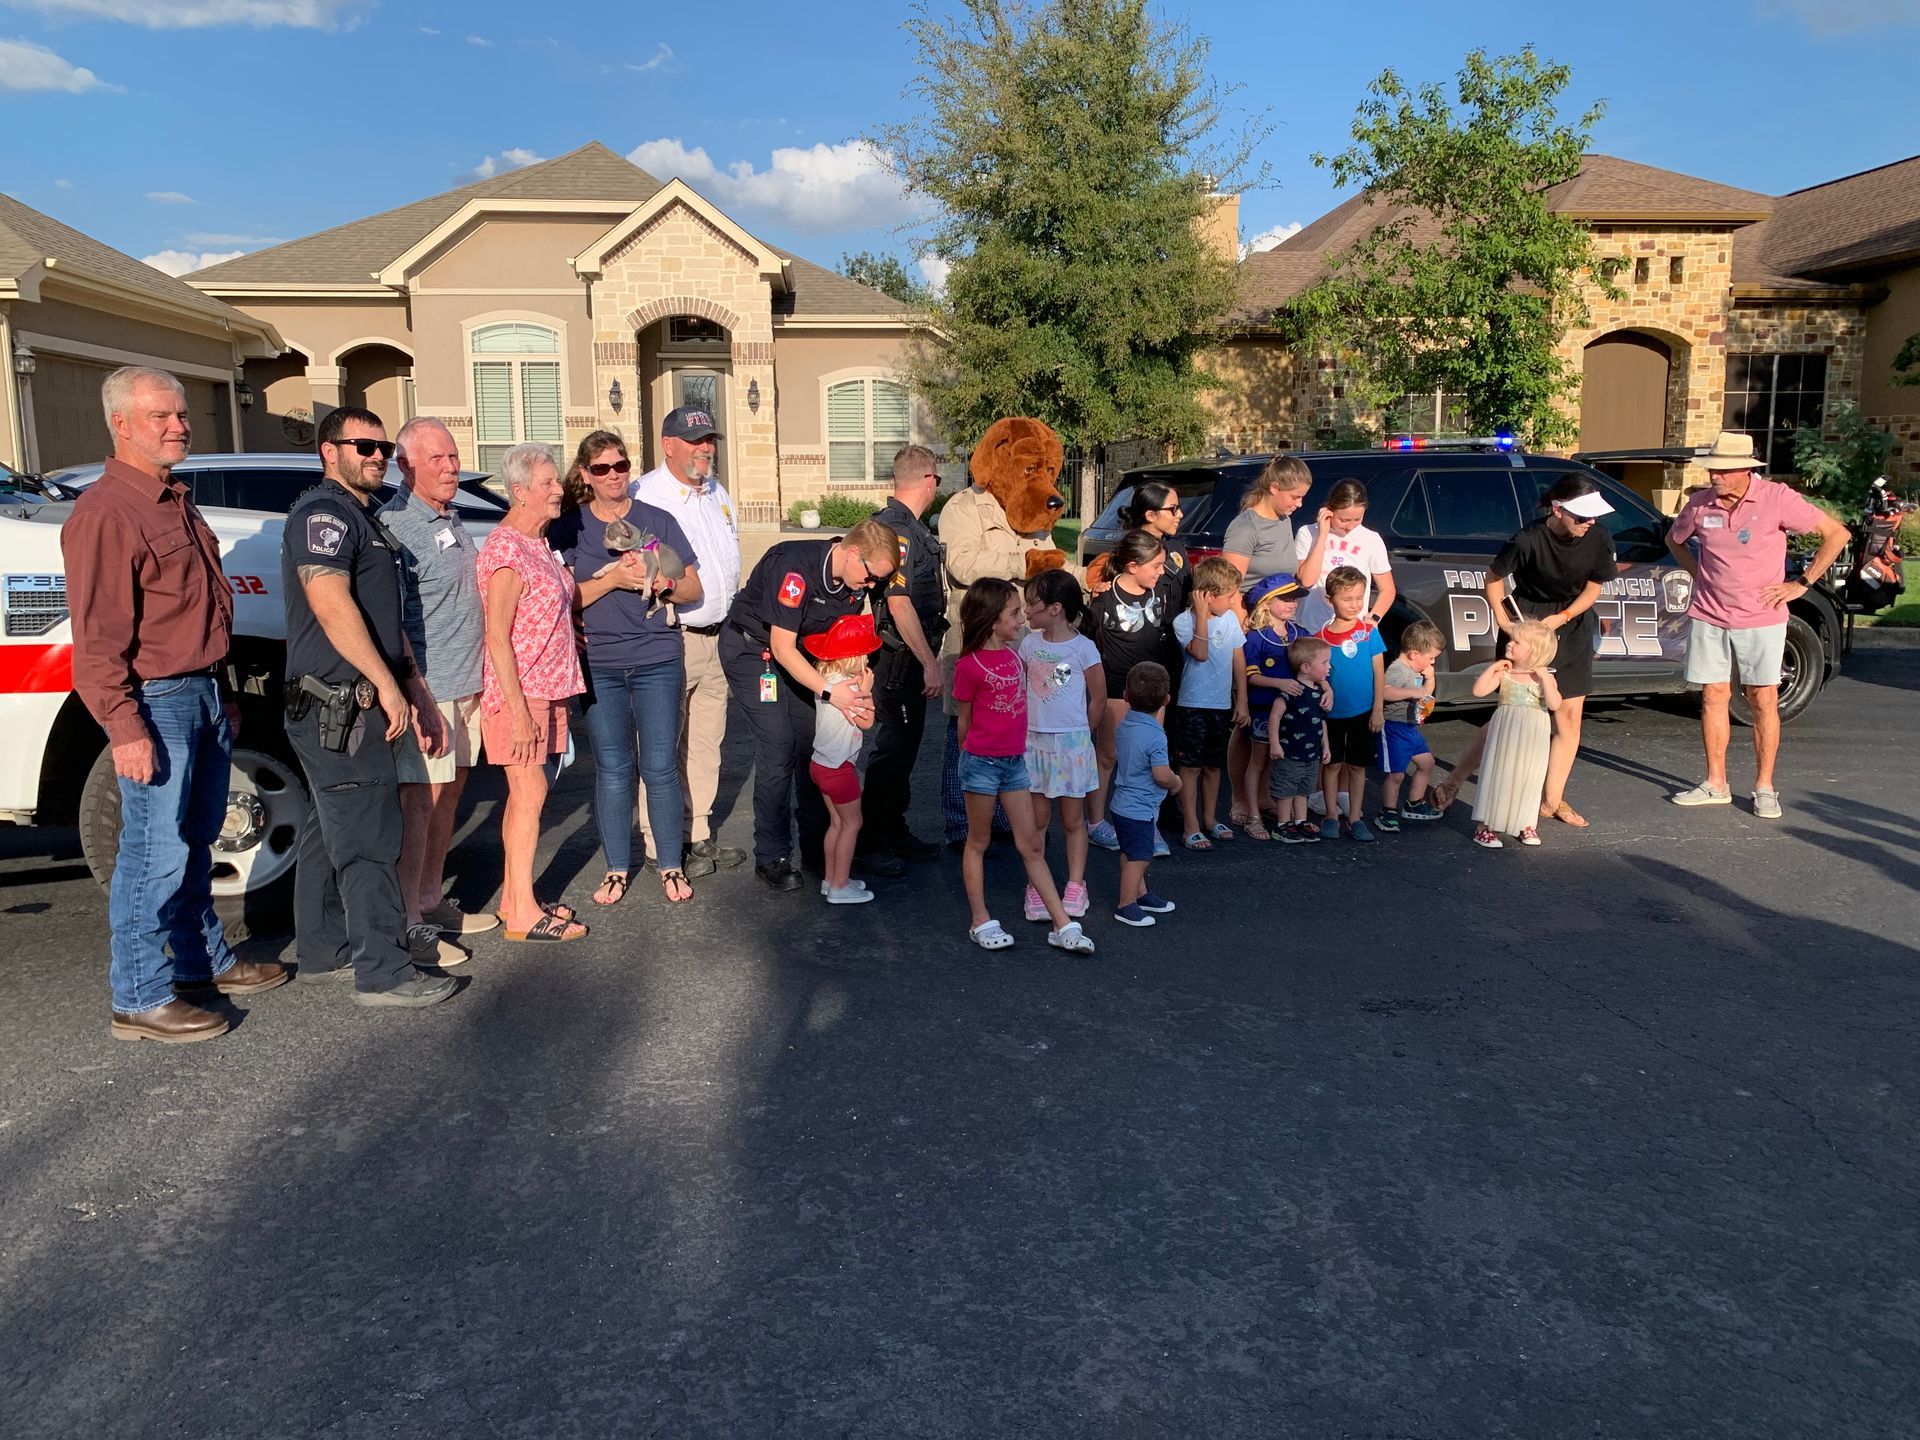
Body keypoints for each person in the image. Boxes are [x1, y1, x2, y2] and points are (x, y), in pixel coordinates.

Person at [63, 366, 289, 1042]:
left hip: (201, 693)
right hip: (155, 703)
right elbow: (98, 641)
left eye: (182, 414)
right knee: (153, 855)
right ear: (121, 424)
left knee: (193, 844)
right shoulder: (106, 512)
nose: (178, 426)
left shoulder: (174, 500)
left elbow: (198, 613)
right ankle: (138, 997)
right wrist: (125, 728)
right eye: (160, 416)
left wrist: (222, 694)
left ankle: (200, 963)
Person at [281, 406, 456, 1007]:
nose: (377, 456)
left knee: (329, 828)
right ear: (329, 451)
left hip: (349, 701)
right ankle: (385, 973)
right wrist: (384, 684)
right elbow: (330, 603)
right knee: (369, 837)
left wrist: (412, 687)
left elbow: (384, 617)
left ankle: (324, 949)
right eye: (364, 446)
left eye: (382, 447)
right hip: (339, 704)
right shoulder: (323, 514)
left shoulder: (363, 516)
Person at [553, 429, 703, 907]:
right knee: (614, 770)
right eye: (602, 468)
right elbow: (559, 596)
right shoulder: (568, 527)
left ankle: (671, 864)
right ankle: (617, 869)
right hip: (599, 662)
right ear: (586, 475)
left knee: (660, 768)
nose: (613, 475)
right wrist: (615, 579)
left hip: (657, 658)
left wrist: (661, 584)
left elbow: (693, 588)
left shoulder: (656, 520)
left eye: (620, 465)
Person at [1665, 432, 1848, 819]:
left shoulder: (1776, 498)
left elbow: (1837, 534)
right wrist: (1699, 575)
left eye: (1723, 470)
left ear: (1745, 470)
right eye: (1712, 469)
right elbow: (1674, 540)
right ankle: (1716, 784)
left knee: (1762, 698)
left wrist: (1801, 583)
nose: (1714, 476)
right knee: (1713, 696)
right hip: (1709, 614)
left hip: (1762, 616)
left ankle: (1764, 787)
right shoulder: (1699, 503)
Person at [1432, 475, 1621, 822]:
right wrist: (1505, 622)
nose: (1590, 522)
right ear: (1558, 510)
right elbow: (1493, 579)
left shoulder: (1598, 536)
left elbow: (1594, 588)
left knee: (1569, 716)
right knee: (1511, 712)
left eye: (1594, 515)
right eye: (1582, 516)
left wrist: (1562, 618)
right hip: (1528, 621)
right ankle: (1454, 780)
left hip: (1571, 621)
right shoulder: (1528, 538)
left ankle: (1552, 801)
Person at [722, 519, 898, 890]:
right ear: (853, 553)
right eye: (870, 577)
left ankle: (821, 850)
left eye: (877, 582)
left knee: (812, 744)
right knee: (778, 745)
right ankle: (772, 855)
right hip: (756, 651)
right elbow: (782, 647)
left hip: (803, 657)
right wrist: (832, 693)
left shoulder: (853, 584)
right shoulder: (796, 569)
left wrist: (858, 684)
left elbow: (838, 645)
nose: (871, 587)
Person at [383, 416, 492, 965]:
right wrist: (418, 695)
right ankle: (409, 923)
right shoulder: (397, 525)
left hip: (467, 684)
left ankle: (430, 900)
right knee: (419, 804)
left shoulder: (449, 515)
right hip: (431, 689)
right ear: (405, 466)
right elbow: (393, 620)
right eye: (437, 459)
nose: (451, 468)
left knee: (449, 796)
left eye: (453, 457)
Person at [629, 405, 747, 877]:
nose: (705, 449)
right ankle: (658, 841)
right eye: (694, 441)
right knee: (661, 744)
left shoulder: (717, 492)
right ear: (668, 445)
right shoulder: (645, 496)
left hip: (720, 636)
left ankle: (696, 832)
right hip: (671, 635)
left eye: (709, 440)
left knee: (705, 742)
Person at [477, 443, 587, 941]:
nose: (558, 489)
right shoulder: (506, 549)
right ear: (519, 492)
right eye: (547, 483)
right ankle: (521, 915)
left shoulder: (538, 542)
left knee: (527, 796)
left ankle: (514, 899)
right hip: (521, 694)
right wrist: (519, 712)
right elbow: (497, 636)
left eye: (556, 480)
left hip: (551, 687)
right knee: (529, 793)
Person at [952, 578, 1095, 954]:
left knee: (1031, 843)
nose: (1022, 619)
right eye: (1015, 613)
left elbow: (1048, 689)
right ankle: (980, 919)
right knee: (978, 841)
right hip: (982, 765)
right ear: (992, 620)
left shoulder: (1017, 656)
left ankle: (1062, 924)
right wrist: (974, 756)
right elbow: (964, 723)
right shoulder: (969, 666)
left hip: (1016, 763)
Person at [937, 453, 1057, 845]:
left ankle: (1004, 816)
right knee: (964, 730)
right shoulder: (963, 507)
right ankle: (963, 824)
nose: (1039, 477)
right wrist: (1023, 562)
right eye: (1029, 468)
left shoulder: (1033, 506)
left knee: (1009, 724)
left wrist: (1084, 580)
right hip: (976, 637)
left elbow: (1049, 564)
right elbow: (962, 564)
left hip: (1020, 638)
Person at [858, 445, 948, 873]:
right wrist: (929, 662)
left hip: (907, 653)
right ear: (929, 481)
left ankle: (893, 829)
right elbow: (899, 603)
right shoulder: (897, 532)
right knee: (894, 748)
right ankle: (872, 841)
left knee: (906, 747)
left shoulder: (907, 527)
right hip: (899, 657)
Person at [1081, 530, 1180, 854]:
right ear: (1133, 566)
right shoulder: (1104, 600)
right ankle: (1096, 822)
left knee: (1149, 758)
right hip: (1116, 689)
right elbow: (1087, 645)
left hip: (1153, 691)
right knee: (1108, 756)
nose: (1162, 572)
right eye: (1156, 566)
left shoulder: (1161, 592)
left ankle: (1148, 824)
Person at [1018, 569, 1104, 923]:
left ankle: (1075, 884)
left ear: (1055, 608)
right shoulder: (1028, 644)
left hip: (1072, 746)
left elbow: (1098, 699)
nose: (1026, 610)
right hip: (1034, 742)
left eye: (1032, 604)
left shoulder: (1084, 648)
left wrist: (1081, 735)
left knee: (1072, 820)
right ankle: (1036, 886)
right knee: (1037, 820)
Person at [1170, 557, 1250, 849]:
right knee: (1190, 767)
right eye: (1229, 596)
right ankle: (1190, 825)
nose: (1233, 601)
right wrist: (1202, 615)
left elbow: (1238, 659)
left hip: (1220, 704)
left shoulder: (1230, 619)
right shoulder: (1184, 621)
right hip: (1192, 704)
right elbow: (1200, 653)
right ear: (1206, 595)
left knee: (1213, 766)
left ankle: (1209, 818)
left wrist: (1242, 700)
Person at [803, 615, 881, 905]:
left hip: (820, 763)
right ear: (854, 658)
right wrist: (867, 690)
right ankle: (840, 885)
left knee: (836, 823)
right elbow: (867, 722)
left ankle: (831, 879)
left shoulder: (827, 683)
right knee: (852, 824)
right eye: (865, 655)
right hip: (839, 770)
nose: (868, 660)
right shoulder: (851, 690)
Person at [1235, 573, 1318, 838]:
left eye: (1294, 599)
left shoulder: (1299, 633)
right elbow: (1250, 674)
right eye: (1284, 599)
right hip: (1264, 710)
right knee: (1258, 762)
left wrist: (1326, 688)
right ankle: (1253, 816)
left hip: (1295, 714)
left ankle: (1271, 803)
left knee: (1281, 761)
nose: (1292, 604)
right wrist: (1279, 683)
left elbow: (1318, 662)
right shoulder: (1256, 637)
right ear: (1266, 602)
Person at [1470, 622, 1563, 849]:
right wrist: (1493, 669)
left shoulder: (1544, 677)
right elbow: (1478, 691)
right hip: (1506, 732)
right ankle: (1486, 826)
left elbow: (1555, 704)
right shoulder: (1506, 673)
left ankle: (1525, 822)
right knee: (1500, 773)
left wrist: (1545, 678)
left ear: (1535, 650)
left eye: (1517, 642)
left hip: (1533, 734)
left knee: (1529, 776)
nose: (1509, 644)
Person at [1317, 566, 1386, 843]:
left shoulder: (1369, 632)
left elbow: (1379, 672)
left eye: (1359, 598)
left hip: (1364, 712)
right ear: (1330, 600)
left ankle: (1355, 817)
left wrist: (1378, 709)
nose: (1354, 604)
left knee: (1358, 766)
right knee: (1332, 764)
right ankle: (1331, 815)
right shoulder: (1320, 637)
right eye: (1347, 599)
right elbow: (1317, 676)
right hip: (1330, 715)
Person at [1109, 661, 1181, 928]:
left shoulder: (1125, 724)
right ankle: (1126, 904)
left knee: (1130, 852)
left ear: (1126, 696)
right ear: (1166, 700)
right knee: (1139, 857)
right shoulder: (1155, 735)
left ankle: (1140, 894)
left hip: (1122, 804)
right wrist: (1176, 783)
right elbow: (1161, 774)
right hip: (1139, 808)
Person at [1294, 479, 1397, 634]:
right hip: (1310, 627)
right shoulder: (1308, 533)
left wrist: (1374, 618)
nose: (1350, 526)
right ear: (1328, 510)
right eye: (1344, 520)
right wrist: (1322, 535)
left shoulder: (1371, 539)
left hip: (1351, 630)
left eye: (1357, 519)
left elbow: (1387, 589)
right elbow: (1307, 581)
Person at [1375, 621, 1445, 832]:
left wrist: (1430, 680)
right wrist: (1412, 692)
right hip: (1393, 727)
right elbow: (1385, 692)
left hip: (1409, 727)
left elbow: (1425, 694)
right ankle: (1387, 812)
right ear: (1414, 654)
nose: (1432, 662)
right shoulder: (1398, 670)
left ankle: (1414, 803)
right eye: (1431, 658)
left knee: (1427, 763)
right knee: (1396, 774)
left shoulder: (1416, 671)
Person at [1266, 636, 1332, 844]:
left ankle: (1301, 821)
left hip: (1311, 754)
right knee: (1286, 789)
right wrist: (1274, 743)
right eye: (1325, 663)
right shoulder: (1291, 691)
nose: (1329, 667)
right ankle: (1283, 824)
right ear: (1305, 667)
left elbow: (1321, 721)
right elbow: (1274, 717)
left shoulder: (1319, 693)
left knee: (1304, 790)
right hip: (1289, 752)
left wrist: (1326, 746)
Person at [1090, 480, 1191, 609]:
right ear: (1150, 515)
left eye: (1179, 507)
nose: (1180, 514)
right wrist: (1099, 591)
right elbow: (1111, 597)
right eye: (1173, 509)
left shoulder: (1176, 547)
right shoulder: (1130, 551)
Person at [1222, 456, 1312, 594]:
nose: (1300, 504)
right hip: (1249, 606)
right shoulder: (1245, 527)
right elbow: (1229, 589)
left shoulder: (1285, 520)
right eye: (1295, 497)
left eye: (1302, 497)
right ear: (1274, 488)